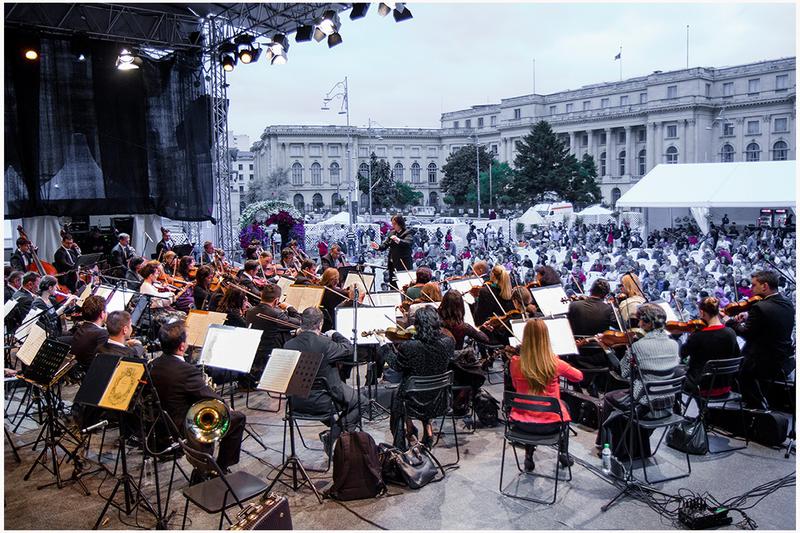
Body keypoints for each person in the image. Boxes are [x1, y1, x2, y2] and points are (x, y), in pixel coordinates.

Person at [149, 320, 245, 475]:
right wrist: (227, 407)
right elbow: (210, 397)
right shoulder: (186, 371)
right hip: (182, 426)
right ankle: (219, 468)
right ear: (182, 346)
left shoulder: (153, 364)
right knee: (237, 418)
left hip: (161, 424)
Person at [598, 303, 680, 446]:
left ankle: (608, 445)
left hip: (645, 406)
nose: (638, 324)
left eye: (640, 320)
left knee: (610, 397)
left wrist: (606, 349)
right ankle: (638, 444)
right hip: (667, 404)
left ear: (647, 324)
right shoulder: (674, 345)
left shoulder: (638, 346)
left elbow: (622, 373)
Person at [509, 319, 584, 471]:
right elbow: (579, 377)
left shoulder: (515, 363)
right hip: (549, 425)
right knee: (564, 406)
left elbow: (516, 386)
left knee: (531, 407)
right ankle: (563, 453)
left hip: (521, 423)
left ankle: (529, 456)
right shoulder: (555, 363)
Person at [283, 308, 361, 455]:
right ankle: (334, 435)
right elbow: (348, 348)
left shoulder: (288, 345)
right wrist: (335, 334)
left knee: (330, 399)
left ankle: (335, 429)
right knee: (360, 402)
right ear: (320, 324)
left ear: (301, 322)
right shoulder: (325, 343)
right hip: (323, 402)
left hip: (296, 402)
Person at [726, 270, 795, 409]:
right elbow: (771, 320)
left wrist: (730, 322)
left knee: (738, 369)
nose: (751, 289)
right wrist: (748, 316)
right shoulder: (786, 303)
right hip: (783, 356)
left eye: (754, 285)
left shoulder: (760, 307)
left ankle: (756, 406)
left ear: (765, 286)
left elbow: (746, 334)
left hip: (764, 360)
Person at [388, 306, 454, 449]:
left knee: (399, 395)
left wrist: (384, 348)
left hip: (413, 402)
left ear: (417, 325)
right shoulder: (448, 342)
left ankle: (406, 434)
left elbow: (396, 366)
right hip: (439, 400)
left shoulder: (409, 346)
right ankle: (427, 430)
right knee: (423, 385)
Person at [680, 297, 740, 396]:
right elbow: (737, 355)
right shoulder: (731, 332)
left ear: (702, 312)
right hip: (726, 386)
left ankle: (680, 405)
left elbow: (682, 354)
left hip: (702, 387)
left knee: (676, 374)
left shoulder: (698, 335)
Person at [245, 284, 302, 386]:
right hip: (270, 356)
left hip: (255, 354)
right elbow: (298, 322)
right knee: (293, 333)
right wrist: (289, 307)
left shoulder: (250, 311)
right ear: (276, 301)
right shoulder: (276, 314)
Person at [566, 279, 616, 368]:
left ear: (590, 290)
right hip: (599, 356)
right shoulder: (608, 309)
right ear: (606, 294)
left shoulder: (574, 305)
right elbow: (620, 325)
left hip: (576, 354)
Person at [371, 214, 414, 289]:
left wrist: (398, 240)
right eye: (392, 224)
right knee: (393, 285)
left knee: (404, 286)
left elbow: (408, 243)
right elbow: (385, 245)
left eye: (394, 224)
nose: (393, 226)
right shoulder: (392, 233)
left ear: (400, 224)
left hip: (403, 264)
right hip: (393, 264)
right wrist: (378, 247)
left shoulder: (407, 232)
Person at [68, 295, 109, 369]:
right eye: (105, 311)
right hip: (88, 372)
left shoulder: (81, 328)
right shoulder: (102, 334)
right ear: (102, 314)